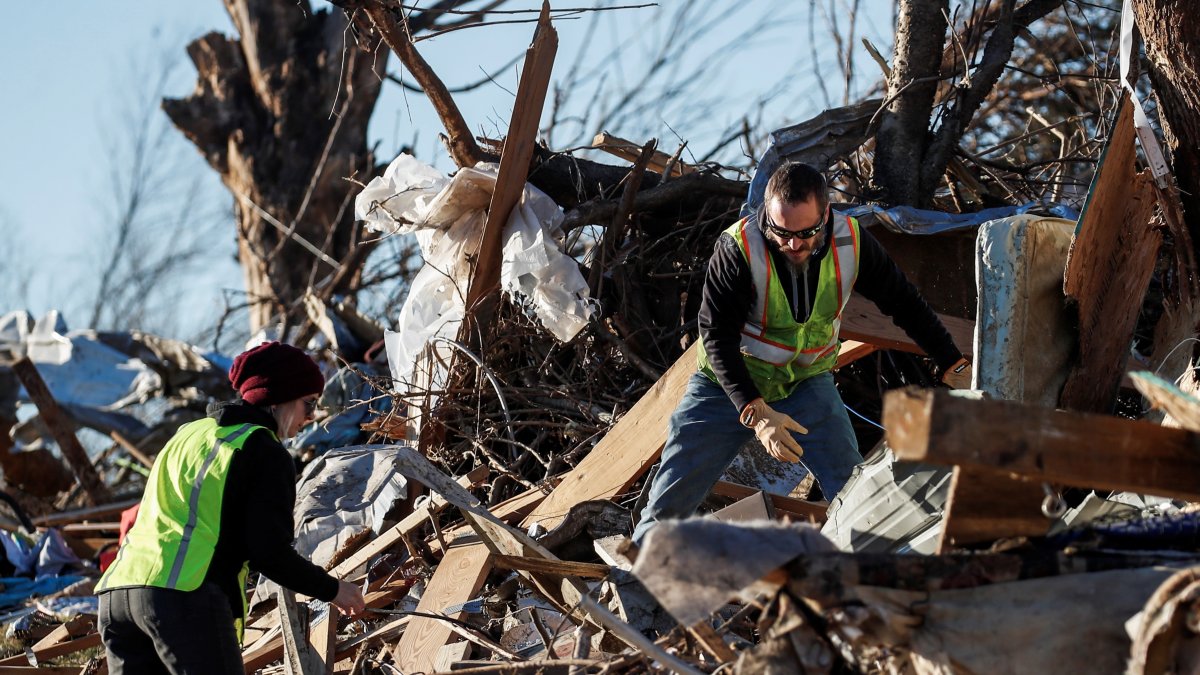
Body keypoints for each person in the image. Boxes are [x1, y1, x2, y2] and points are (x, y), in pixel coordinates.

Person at [632, 162, 971, 545]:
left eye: (807, 233)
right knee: (669, 502)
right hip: (725, 391)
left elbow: (905, 303)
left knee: (856, 492)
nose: (794, 244)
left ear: (826, 214)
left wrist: (951, 362)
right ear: (766, 215)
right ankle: (635, 582)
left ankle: (877, 580)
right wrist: (758, 415)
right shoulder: (738, 248)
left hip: (806, 385)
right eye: (782, 233)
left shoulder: (852, 241)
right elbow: (716, 335)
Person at [97, 341, 366, 674]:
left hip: (118, 594)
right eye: (308, 403)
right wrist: (333, 589)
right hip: (183, 595)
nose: (311, 417)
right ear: (279, 399)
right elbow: (269, 553)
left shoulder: (189, 434)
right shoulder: (263, 450)